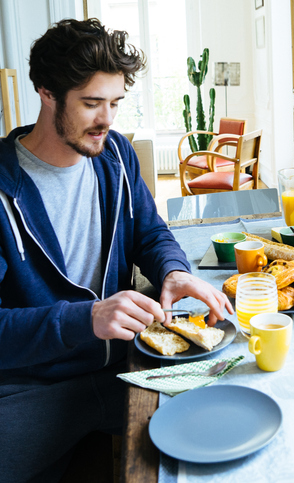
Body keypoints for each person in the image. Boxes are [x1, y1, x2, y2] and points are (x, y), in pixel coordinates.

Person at [0, 18, 232, 482]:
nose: (107, 119)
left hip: (125, 368)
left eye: (115, 102)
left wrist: (172, 271)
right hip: (31, 389)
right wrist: (85, 319)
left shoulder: (117, 156)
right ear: (46, 92)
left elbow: (151, 233)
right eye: (91, 103)